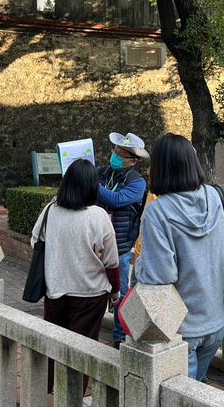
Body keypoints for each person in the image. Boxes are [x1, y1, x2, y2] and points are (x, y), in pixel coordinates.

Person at [135, 134, 224, 381]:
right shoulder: (214, 197)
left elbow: (161, 275)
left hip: (182, 327)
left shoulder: (158, 211)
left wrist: (138, 265)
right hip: (216, 321)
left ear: (159, 168)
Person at [30, 159, 120, 394]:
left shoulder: (51, 210)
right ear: (92, 186)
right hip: (90, 294)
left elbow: (35, 241)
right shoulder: (98, 216)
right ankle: (74, 394)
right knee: (83, 348)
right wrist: (116, 290)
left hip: (56, 290)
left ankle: (52, 388)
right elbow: (111, 261)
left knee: (55, 343)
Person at [96, 132, 149, 349]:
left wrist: (91, 184)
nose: (115, 155)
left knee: (120, 293)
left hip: (120, 246)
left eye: (122, 154)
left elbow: (117, 200)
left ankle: (119, 336)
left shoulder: (137, 183)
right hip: (95, 243)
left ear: (134, 161)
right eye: (115, 151)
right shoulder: (101, 172)